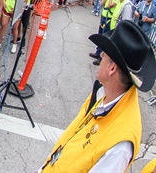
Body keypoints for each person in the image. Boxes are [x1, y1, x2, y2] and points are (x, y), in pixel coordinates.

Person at [40, 21, 155, 172]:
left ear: (112, 68)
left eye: (105, 54)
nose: (100, 55)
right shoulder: (105, 93)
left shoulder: (120, 144)